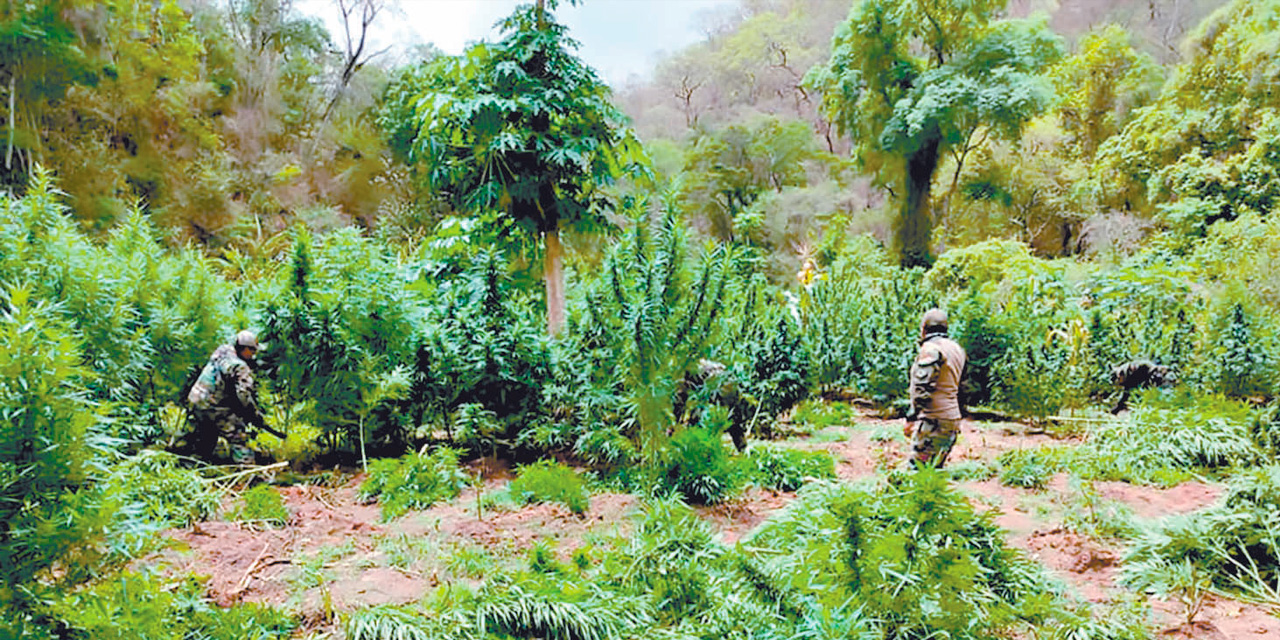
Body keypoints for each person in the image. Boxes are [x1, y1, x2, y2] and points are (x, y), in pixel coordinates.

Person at [187, 330, 278, 464]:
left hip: (195, 400)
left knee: (206, 434)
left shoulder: (222, 352)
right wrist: (253, 414)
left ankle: (195, 465)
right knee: (238, 435)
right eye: (252, 351)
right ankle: (247, 470)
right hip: (213, 406)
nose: (254, 355)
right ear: (244, 348)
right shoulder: (240, 367)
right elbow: (243, 396)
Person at [904, 309, 967, 468]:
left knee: (917, 470)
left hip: (934, 420)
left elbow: (922, 387)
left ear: (924, 328)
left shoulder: (931, 349)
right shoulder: (956, 349)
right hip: (952, 418)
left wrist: (911, 418)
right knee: (934, 470)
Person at [1109, 359, 1174, 414]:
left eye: (1118, 381)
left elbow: (1126, 394)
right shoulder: (1128, 371)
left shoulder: (1131, 373)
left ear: (1119, 376)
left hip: (1160, 377)